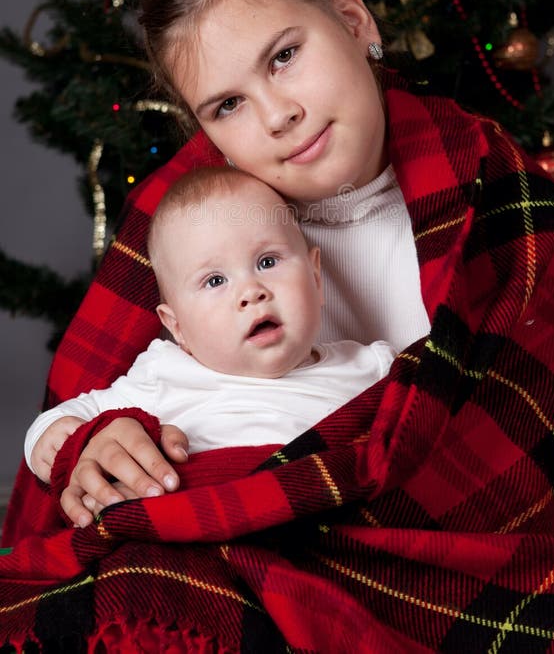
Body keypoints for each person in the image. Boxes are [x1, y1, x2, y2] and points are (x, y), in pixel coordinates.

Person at [1, 0, 554, 652]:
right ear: (205, 131)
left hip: (435, 574)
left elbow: (504, 469)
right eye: (227, 104)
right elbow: (91, 422)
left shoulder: (501, 203)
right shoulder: (185, 225)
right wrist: (98, 445)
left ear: (352, 18)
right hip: (208, 558)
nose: (278, 115)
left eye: (283, 56)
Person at [25, 166, 396, 486]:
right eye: (215, 281)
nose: (251, 292)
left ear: (316, 279)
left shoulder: (373, 369)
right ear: (178, 327)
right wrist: (54, 438)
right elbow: (65, 419)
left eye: (267, 262)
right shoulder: (165, 375)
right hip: (210, 532)